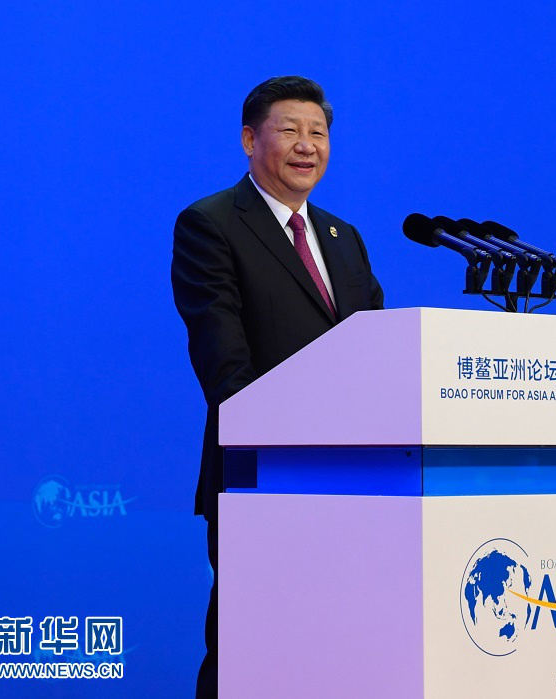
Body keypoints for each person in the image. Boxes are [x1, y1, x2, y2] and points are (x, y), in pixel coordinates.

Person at [171, 75, 384, 698]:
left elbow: (377, 354)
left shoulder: (344, 238)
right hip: (262, 476)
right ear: (249, 140)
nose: (306, 145)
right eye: (289, 130)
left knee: (341, 648)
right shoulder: (211, 224)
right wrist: (286, 440)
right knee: (249, 648)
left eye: (318, 132)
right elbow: (223, 361)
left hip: (358, 481)